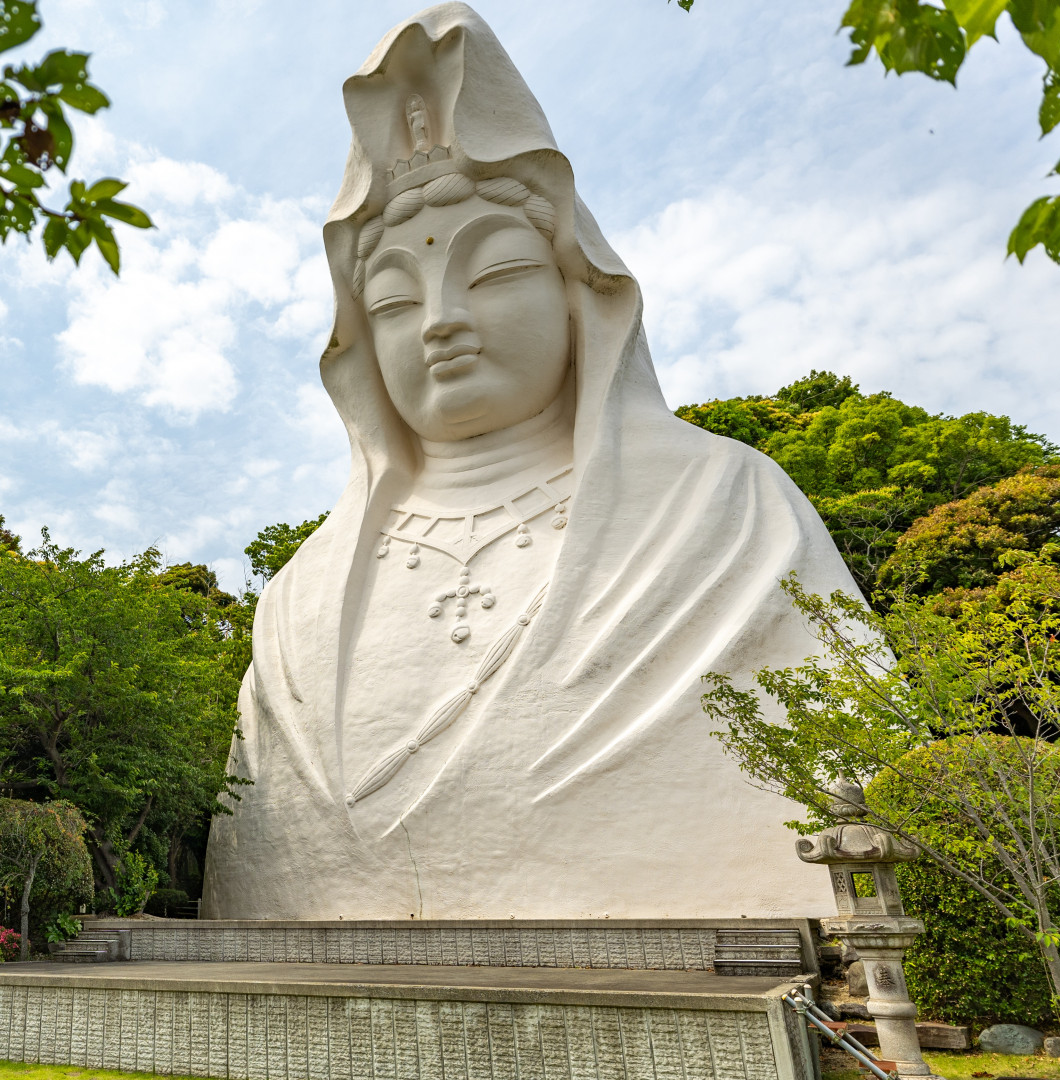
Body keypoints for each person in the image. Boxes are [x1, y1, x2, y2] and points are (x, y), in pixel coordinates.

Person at [199, 3, 860, 920]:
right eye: (392, 301)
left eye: (496, 273)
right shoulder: (299, 593)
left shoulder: (726, 506)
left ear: (580, 293)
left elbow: (862, 762)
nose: (439, 321)